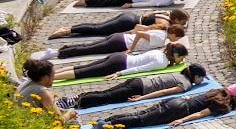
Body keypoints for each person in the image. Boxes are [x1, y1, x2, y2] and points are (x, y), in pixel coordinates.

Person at [88, 84, 236, 129]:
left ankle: (106, 120)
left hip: (175, 101)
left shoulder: (214, 92)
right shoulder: (221, 104)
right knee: (141, 120)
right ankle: (106, 125)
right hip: (178, 110)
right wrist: (182, 120)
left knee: (140, 113)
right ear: (234, 98)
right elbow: (201, 114)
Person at [70, 63, 207, 110]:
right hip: (140, 89)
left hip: (138, 81)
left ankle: (77, 98)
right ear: (196, 77)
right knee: (107, 97)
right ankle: (75, 101)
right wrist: (142, 98)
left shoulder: (179, 74)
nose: (201, 81)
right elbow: (164, 92)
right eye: (201, 78)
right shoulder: (186, 84)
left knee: (106, 93)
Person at [33, 21, 184, 61]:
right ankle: (56, 53)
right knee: (88, 49)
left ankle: (57, 51)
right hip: (121, 43)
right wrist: (131, 49)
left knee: (88, 46)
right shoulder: (160, 37)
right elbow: (139, 34)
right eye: (177, 37)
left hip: (120, 38)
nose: (177, 40)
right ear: (173, 34)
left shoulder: (162, 31)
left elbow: (139, 29)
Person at [50, 42, 188, 84]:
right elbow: (140, 69)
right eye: (181, 58)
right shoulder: (162, 62)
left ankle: (52, 73)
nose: (181, 61)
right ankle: (52, 78)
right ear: (176, 55)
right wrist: (119, 73)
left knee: (83, 67)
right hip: (119, 65)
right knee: (82, 73)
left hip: (119, 57)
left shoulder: (160, 52)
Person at [48, 8, 186, 40]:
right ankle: (66, 31)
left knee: (98, 25)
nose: (184, 24)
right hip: (127, 23)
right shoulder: (164, 22)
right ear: (177, 20)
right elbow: (149, 29)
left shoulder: (166, 13)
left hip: (129, 16)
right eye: (183, 22)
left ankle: (68, 28)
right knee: (98, 29)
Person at [14, 58, 76, 123]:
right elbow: (58, 121)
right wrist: (69, 114)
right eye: (53, 75)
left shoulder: (25, 83)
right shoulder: (42, 92)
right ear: (45, 78)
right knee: (74, 123)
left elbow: (50, 109)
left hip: (19, 119)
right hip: (27, 124)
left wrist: (61, 110)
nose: (54, 78)